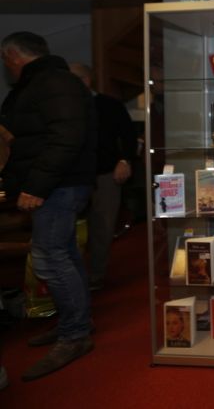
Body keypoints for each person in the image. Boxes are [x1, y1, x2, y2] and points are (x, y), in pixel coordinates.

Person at [0, 31, 97, 381]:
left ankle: (75, 333)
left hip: (58, 185)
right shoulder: (48, 82)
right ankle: (76, 323)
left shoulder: (52, 82)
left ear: (13, 56)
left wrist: (35, 186)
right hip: (59, 184)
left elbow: (66, 137)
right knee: (63, 254)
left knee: (50, 257)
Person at [69, 63, 138, 291]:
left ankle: (95, 275)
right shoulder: (62, 106)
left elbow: (128, 135)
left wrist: (125, 160)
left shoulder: (109, 105)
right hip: (71, 176)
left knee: (103, 227)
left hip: (105, 174)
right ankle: (72, 276)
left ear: (86, 80)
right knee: (69, 228)